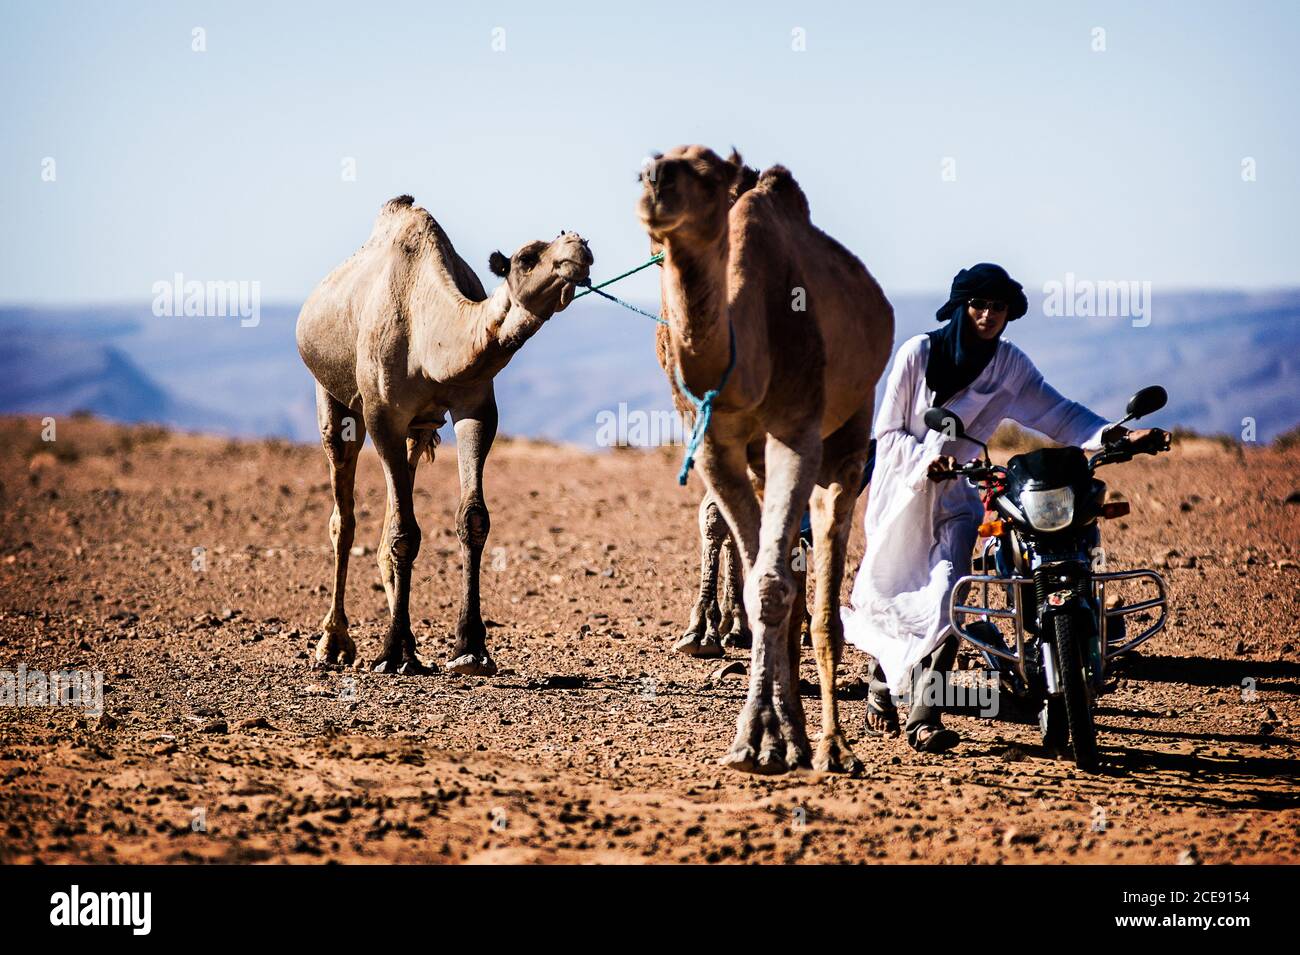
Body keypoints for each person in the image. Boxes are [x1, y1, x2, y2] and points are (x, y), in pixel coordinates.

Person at [840, 263, 1161, 753]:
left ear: (1011, 312)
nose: (988, 315)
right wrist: (928, 459)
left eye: (999, 307)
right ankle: (882, 684)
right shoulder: (917, 353)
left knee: (948, 590)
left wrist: (1119, 435)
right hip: (902, 492)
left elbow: (1059, 413)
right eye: (979, 305)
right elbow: (889, 433)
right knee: (895, 594)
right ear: (962, 307)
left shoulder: (1009, 365)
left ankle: (923, 717)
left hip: (957, 495)